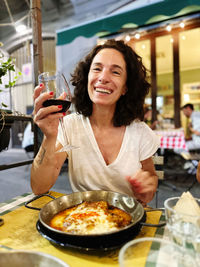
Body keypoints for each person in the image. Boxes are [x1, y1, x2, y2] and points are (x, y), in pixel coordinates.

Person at [31, 39, 160, 205]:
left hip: (128, 220)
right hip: (84, 220)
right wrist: (49, 137)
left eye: (115, 72)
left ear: (125, 88)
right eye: (97, 69)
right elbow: (39, 187)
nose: (103, 78)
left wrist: (147, 186)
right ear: (87, 77)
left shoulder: (140, 132)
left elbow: (150, 181)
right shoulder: (71, 125)